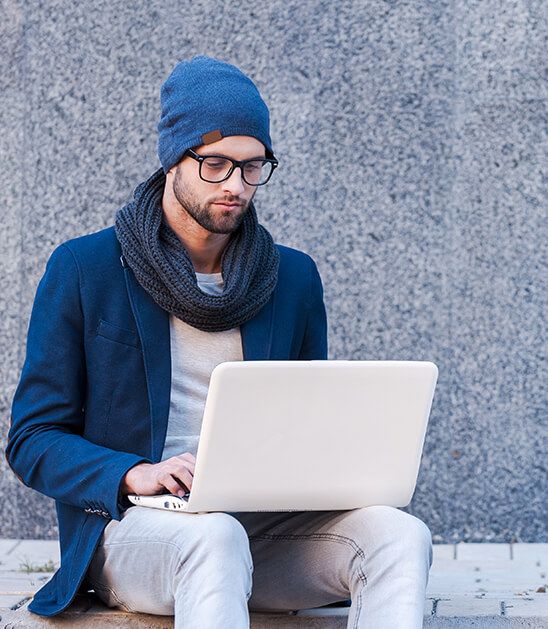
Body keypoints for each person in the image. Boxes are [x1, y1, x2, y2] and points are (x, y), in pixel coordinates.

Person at [5, 55, 432, 628]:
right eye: (215, 164)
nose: (236, 185)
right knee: (215, 536)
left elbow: (310, 421)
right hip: (135, 530)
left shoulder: (292, 278)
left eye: (254, 167)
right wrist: (134, 472)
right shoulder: (86, 269)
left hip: (264, 529)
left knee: (400, 535)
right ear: (173, 158)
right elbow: (33, 439)